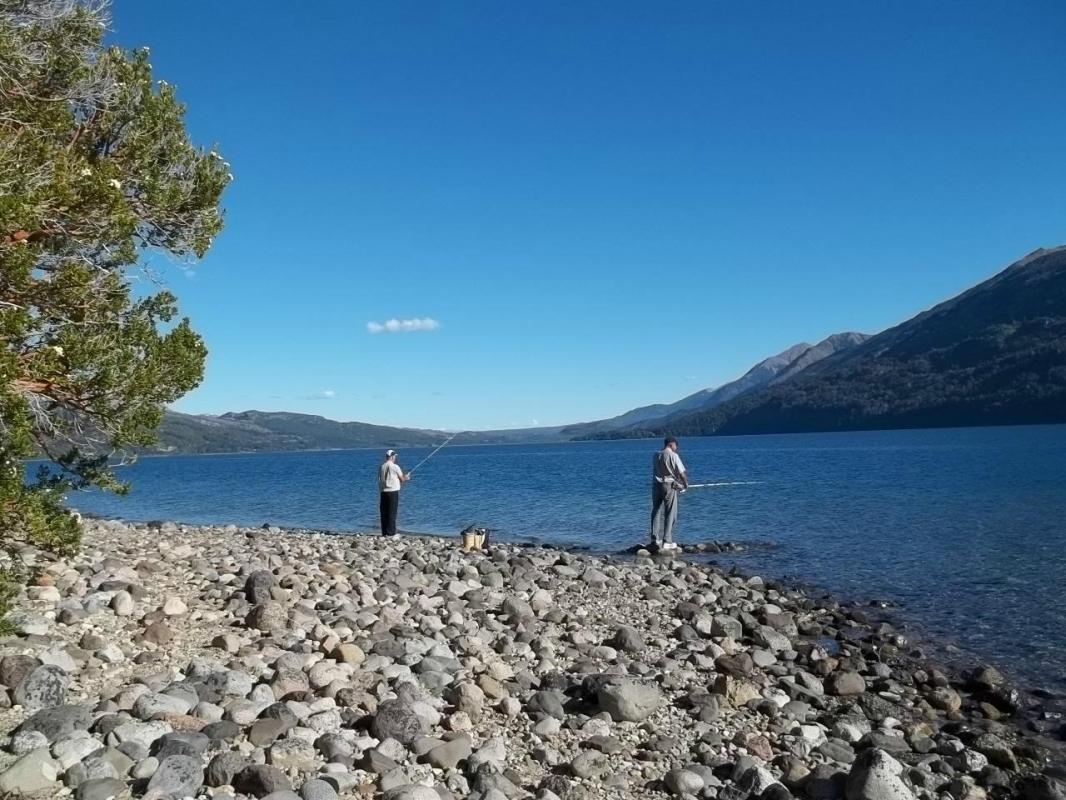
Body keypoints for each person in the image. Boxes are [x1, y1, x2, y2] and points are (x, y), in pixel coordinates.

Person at [650, 436, 688, 551]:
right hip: (669, 486)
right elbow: (681, 472)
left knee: (656, 510)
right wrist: (685, 484)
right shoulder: (673, 455)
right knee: (670, 512)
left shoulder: (656, 455)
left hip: (656, 485)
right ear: (671, 444)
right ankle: (667, 540)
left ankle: (654, 538)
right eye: (676, 446)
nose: (676, 448)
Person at [378, 449, 410, 536]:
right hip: (393, 492)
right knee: (392, 512)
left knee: (384, 513)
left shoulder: (382, 466)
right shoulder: (395, 467)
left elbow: (379, 479)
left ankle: (384, 532)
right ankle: (391, 533)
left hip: (383, 492)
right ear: (392, 456)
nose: (395, 458)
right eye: (394, 456)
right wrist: (407, 477)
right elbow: (402, 479)